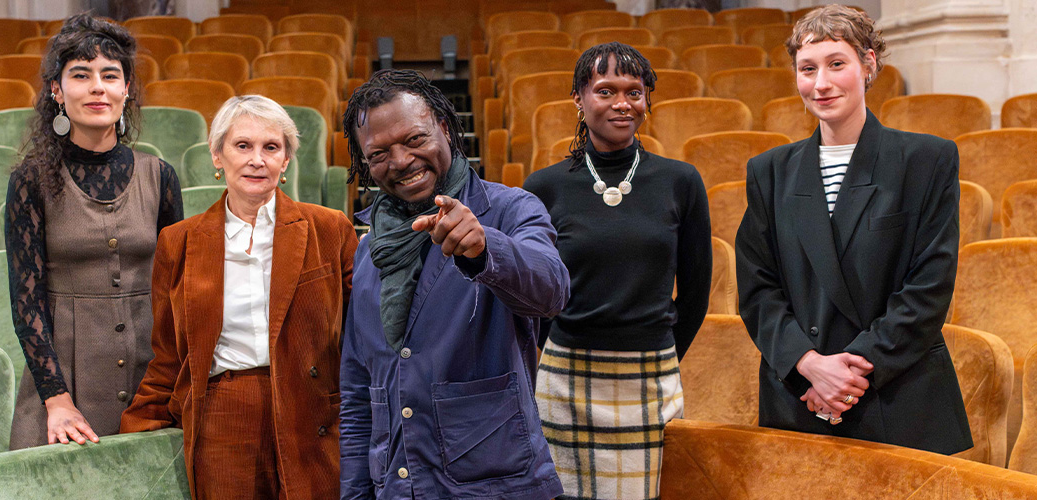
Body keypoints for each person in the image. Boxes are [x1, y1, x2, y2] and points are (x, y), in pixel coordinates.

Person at [735, 4, 972, 454]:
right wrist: (810, 365)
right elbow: (757, 288)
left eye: (836, 64)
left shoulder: (927, 159)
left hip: (896, 394)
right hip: (800, 394)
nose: (820, 83)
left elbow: (929, 286)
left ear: (868, 64)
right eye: (807, 69)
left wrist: (848, 375)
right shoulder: (768, 171)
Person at [338, 69, 569, 500]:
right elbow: (357, 393)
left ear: (445, 128)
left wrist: (486, 250)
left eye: (414, 140)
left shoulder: (509, 209)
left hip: (496, 484)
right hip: (397, 487)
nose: (402, 161)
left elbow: (552, 291)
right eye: (379, 153)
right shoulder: (369, 251)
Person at [121, 95, 357, 500]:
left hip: (310, 413)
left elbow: (360, 339)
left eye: (271, 147)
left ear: (286, 161)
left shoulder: (329, 228)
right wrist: (133, 437)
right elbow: (166, 356)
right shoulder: (178, 241)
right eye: (242, 146)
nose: (257, 159)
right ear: (217, 156)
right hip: (223, 419)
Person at [523, 42, 712, 500]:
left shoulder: (681, 181)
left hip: (649, 378)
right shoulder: (545, 186)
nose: (622, 103)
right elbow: (533, 296)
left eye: (634, 91)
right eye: (605, 91)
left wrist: (657, 351)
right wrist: (555, 351)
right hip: (565, 377)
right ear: (578, 99)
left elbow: (696, 292)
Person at [4, 13, 182, 450]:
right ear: (57, 91)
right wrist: (57, 399)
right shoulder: (30, 180)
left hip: (150, 382)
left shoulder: (160, 176)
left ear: (126, 89)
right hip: (64, 383)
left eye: (109, 75)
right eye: (80, 75)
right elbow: (26, 303)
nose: (97, 86)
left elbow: (177, 287)